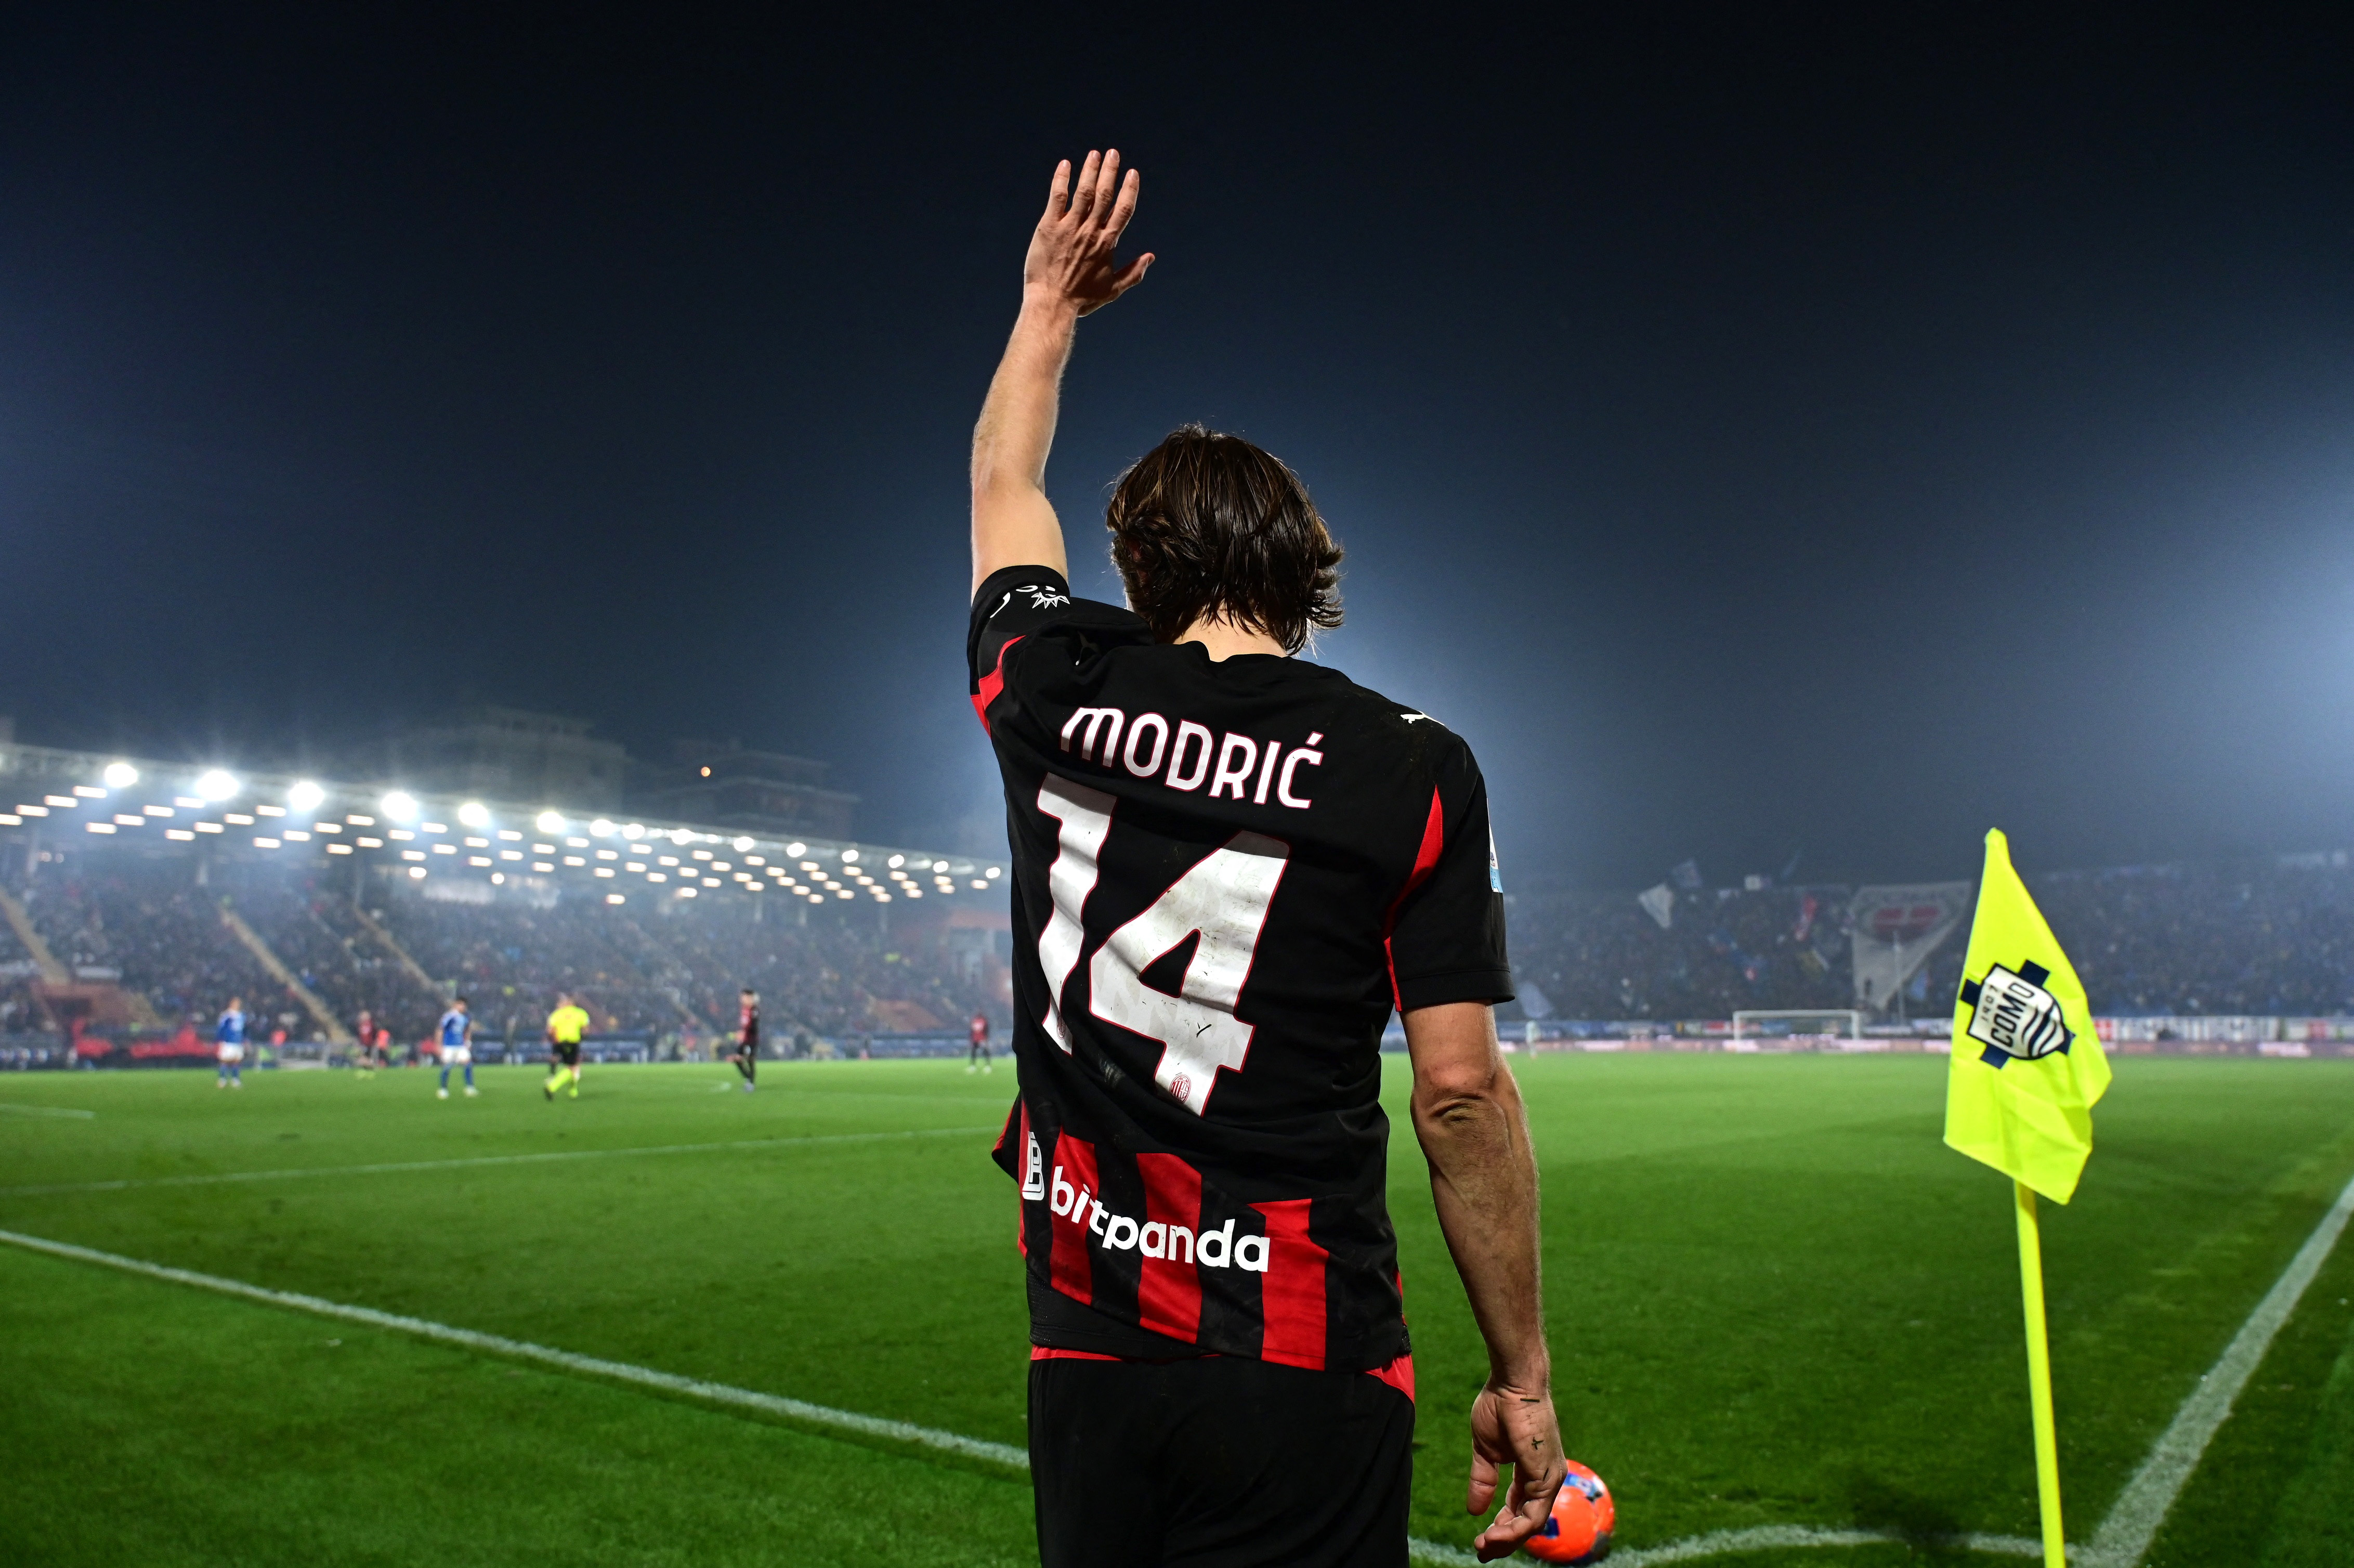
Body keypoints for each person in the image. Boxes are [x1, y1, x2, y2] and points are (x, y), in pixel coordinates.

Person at [965, 151, 1561, 1567]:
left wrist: (1050, 302)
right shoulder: (1409, 763)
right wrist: (1522, 1375)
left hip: (1092, 1349)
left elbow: (1004, 477)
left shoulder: (1048, 683)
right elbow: (1462, 1097)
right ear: (1306, 572)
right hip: (1304, 1353)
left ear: (1136, 568)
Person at [544, 991, 590, 1100]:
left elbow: (550, 1030)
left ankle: (573, 1092)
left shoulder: (557, 1014)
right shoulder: (580, 1013)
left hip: (560, 1042)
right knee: (573, 1068)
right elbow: (586, 1030)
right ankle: (552, 1086)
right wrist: (582, 1038)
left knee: (571, 1066)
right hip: (573, 1043)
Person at [435, 997, 477, 1100]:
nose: (463, 1007)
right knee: (447, 1067)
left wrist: (468, 1042)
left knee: (468, 1064)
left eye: (464, 1005)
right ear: (456, 1005)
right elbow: (440, 1030)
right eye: (461, 1004)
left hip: (460, 1046)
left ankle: (469, 1088)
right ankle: (443, 1089)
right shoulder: (449, 1016)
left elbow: (467, 1030)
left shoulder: (466, 1017)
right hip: (449, 1046)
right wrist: (439, 1045)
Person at [727, 987, 760, 1092]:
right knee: (737, 1059)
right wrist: (740, 1034)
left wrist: (743, 1034)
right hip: (744, 1040)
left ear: (750, 998)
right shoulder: (744, 1010)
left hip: (751, 1041)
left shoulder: (754, 1010)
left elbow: (753, 1027)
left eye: (744, 997)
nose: (742, 999)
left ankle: (751, 1083)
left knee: (749, 1060)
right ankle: (748, 1078)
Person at [215, 997, 247, 1089]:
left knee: (237, 1061)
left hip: (238, 1042)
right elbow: (221, 1029)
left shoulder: (242, 1015)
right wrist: (220, 1040)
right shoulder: (226, 1015)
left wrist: (245, 1040)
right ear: (231, 1004)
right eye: (236, 1003)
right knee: (225, 1061)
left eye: (239, 1003)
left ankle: (235, 1080)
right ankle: (222, 1080)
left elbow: (244, 1030)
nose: (238, 1005)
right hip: (228, 1042)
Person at [967, 1010, 992, 1074]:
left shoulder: (983, 1021)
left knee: (985, 1052)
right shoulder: (975, 1021)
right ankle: (973, 1066)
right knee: (974, 1052)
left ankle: (988, 1066)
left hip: (982, 1039)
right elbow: (972, 1031)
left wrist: (986, 1039)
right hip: (976, 1039)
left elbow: (986, 1030)